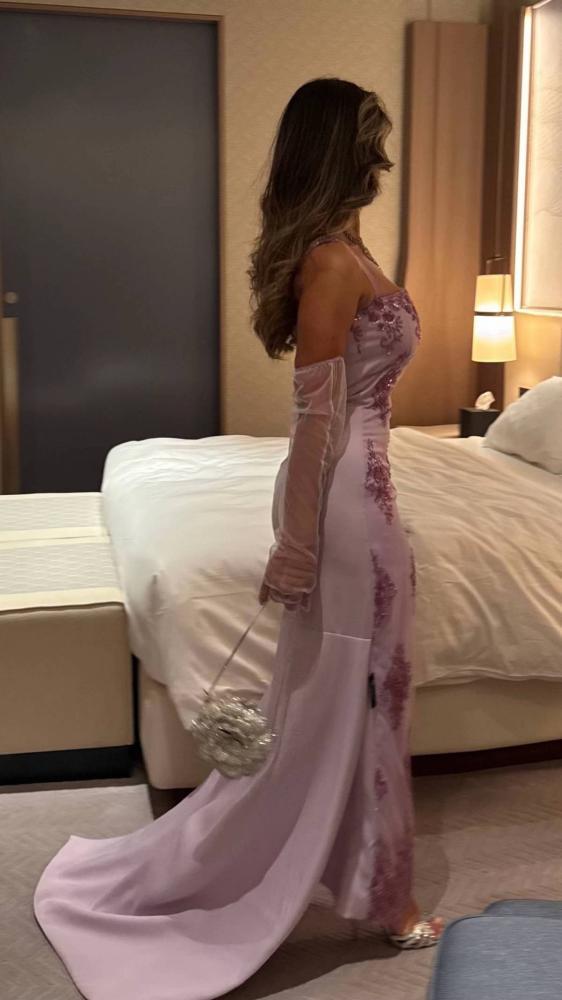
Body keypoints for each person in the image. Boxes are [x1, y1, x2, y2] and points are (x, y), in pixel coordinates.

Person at [33, 77, 444, 1000]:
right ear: (338, 152)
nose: (383, 160)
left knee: (368, 692)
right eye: (370, 144)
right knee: (357, 691)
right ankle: (383, 896)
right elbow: (315, 421)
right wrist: (296, 547)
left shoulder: (349, 247)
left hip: (367, 490)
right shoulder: (331, 263)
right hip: (347, 498)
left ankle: (369, 878)